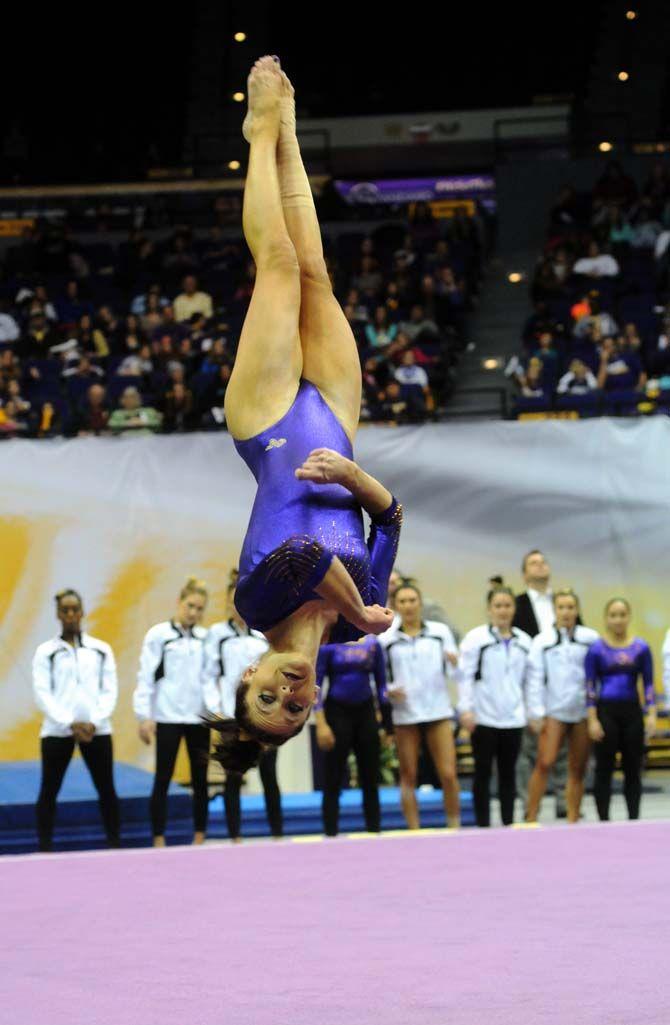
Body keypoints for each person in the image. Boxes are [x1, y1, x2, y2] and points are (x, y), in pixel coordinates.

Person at [209, 57, 401, 774]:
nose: (287, 697)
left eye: (266, 699)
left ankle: (259, 133)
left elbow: (307, 554)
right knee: (317, 267)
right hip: (336, 426)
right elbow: (390, 520)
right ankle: (289, 128)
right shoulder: (353, 636)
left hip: (267, 429)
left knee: (281, 266)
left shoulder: (257, 605)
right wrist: (355, 473)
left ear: (247, 679)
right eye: (294, 710)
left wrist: (360, 611)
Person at [32, 589, 120, 852]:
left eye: (74, 609)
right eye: (65, 610)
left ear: (82, 612)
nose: (70, 615)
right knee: (49, 790)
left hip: (98, 729)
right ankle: (45, 848)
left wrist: (94, 720)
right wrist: (68, 722)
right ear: (58, 615)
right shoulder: (46, 651)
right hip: (57, 731)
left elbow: (110, 689)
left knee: (107, 789)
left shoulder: (101, 649)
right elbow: (42, 692)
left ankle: (115, 845)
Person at [133, 578, 213, 847]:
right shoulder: (159, 635)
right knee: (163, 778)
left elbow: (211, 680)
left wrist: (217, 714)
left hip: (198, 718)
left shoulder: (206, 638)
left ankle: (199, 837)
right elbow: (146, 677)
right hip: (168, 717)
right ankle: (158, 838)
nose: (194, 612)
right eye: (190, 606)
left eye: (200, 608)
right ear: (179, 603)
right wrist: (144, 716)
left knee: (201, 780)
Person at [204, 576, 283, 841]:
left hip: (263, 718)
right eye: (233, 599)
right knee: (233, 777)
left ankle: (277, 834)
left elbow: (276, 676)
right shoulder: (217, 635)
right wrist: (217, 711)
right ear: (228, 602)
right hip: (232, 717)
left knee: (269, 776)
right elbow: (209, 675)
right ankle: (235, 836)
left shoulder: (264, 635)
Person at [380, 583, 460, 830]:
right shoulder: (386, 640)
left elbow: (457, 674)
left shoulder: (440, 632)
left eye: (412, 600)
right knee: (408, 775)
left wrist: (456, 664)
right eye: (402, 601)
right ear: (395, 605)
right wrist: (388, 691)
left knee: (447, 773)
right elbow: (379, 681)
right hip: (405, 714)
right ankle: (414, 831)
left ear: (420, 603)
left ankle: (454, 825)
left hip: (438, 711)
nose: (408, 605)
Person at [458, 586, 536, 827]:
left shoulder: (525, 641)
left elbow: (531, 681)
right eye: (498, 606)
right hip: (483, 717)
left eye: (507, 606)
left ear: (514, 609)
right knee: (482, 773)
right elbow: (464, 676)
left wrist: (533, 712)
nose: (503, 611)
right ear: (489, 609)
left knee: (509, 773)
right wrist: (466, 709)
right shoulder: (476, 639)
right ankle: (482, 825)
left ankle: (507, 823)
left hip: (513, 718)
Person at [525, 590, 600, 823]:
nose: (566, 612)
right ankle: (530, 816)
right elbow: (535, 678)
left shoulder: (590, 639)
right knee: (544, 762)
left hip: (581, 711)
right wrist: (536, 712)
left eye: (570, 607)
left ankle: (572, 816)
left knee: (577, 768)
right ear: (554, 611)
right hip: (554, 711)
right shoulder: (542, 641)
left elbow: (597, 676)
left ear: (577, 610)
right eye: (561, 608)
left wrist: (594, 710)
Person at [585, 598, 657, 821]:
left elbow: (648, 683)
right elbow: (589, 686)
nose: (618, 619)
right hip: (606, 712)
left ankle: (633, 819)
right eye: (613, 615)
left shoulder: (641, 648)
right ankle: (603, 820)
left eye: (622, 614)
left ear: (629, 617)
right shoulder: (596, 649)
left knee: (632, 769)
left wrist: (652, 714)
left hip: (632, 713)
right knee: (604, 769)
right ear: (606, 618)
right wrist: (592, 719)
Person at [315, 635, 389, 836]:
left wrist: (387, 726)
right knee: (333, 777)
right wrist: (321, 724)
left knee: (370, 776)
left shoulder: (373, 643)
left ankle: (374, 830)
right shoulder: (328, 644)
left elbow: (382, 685)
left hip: (365, 713)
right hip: (337, 714)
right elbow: (317, 685)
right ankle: (330, 832)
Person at [513, 549, 568, 816]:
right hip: (530, 683)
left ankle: (563, 800)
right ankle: (528, 803)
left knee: (563, 748)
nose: (540, 566)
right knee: (530, 749)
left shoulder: (563, 602)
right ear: (525, 574)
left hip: (562, 684)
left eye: (543, 562)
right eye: (534, 563)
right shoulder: (517, 603)